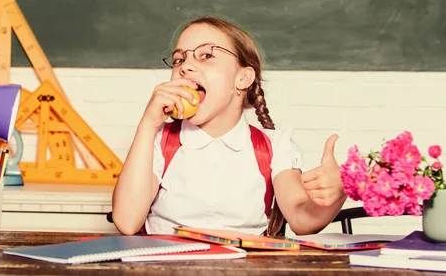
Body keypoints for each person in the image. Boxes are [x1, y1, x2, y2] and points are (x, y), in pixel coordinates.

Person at [112, 15, 347, 236]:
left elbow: (301, 219)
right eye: (179, 59)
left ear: (242, 79)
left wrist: (339, 191)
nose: (185, 66)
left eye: (206, 55)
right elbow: (127, 221)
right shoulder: (158, 141)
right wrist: (148, 124)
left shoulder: (274, 146)